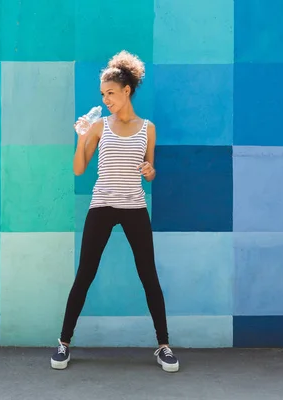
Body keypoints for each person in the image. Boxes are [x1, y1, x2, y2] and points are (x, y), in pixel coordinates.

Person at [50, 50, 179, 373]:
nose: (106, 99)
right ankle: (64, 343)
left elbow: (149, 169)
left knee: (148, 275)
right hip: (102, 205)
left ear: (127, 90)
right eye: (103, 94)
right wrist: (80, 139)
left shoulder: (147, 128)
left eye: (111, 93)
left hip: (134, 206)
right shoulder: (98, 127)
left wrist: (150, 171)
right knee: (85, 274)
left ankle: (164, 346)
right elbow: (80, 169)